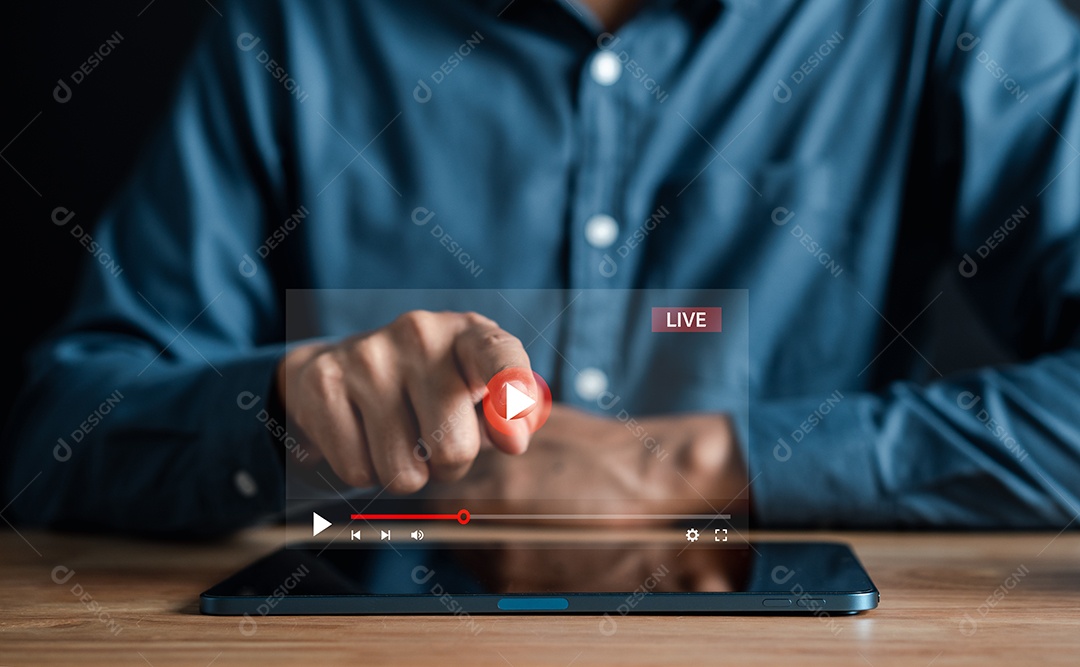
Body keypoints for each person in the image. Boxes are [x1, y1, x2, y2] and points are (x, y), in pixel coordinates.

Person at [5, 0, 1079, 536]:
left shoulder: (947, 17)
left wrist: (686, 465)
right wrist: (287, 413)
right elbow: (59, 429)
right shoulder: (295, 25)